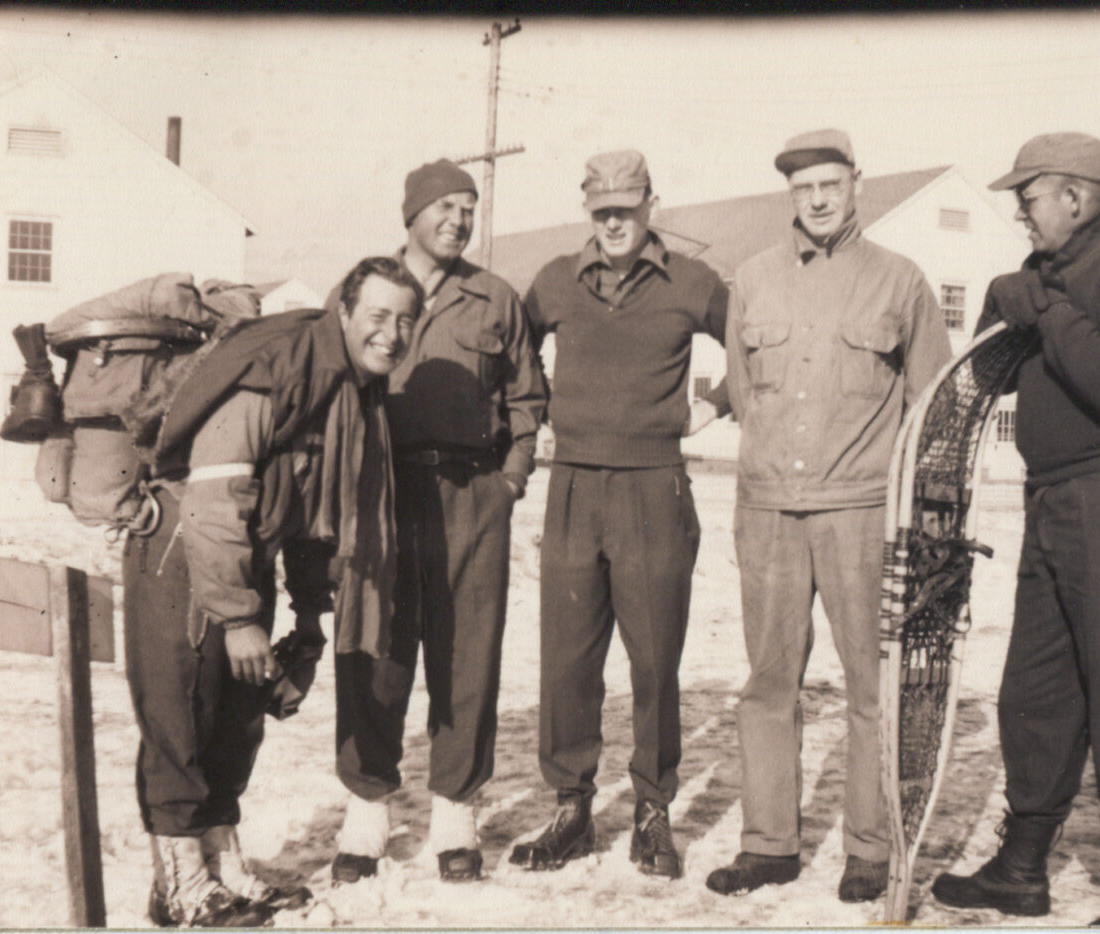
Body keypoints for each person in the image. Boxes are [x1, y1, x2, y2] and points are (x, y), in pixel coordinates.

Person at [931, 133, 1100, 925]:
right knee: (1035, 689)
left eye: (1028, 197)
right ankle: (1023, 867)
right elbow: (986, 369)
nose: (1018, 213)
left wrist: (1038, 303)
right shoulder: (1049, 271)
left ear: (1074, 196)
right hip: (1050, 498)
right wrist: (1002, 304)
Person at [126, 256, 422, 926]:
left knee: (237, 717)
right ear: (344, 311)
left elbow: (313, 512)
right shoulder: (283, 367)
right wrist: (238, 618)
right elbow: (214, 497)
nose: (393, 334)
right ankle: (179, 887)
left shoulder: (349, 388)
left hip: (240, 557)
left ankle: (222, 871)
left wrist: (310, 619)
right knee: (184, 716)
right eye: (379, 315)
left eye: (406, 320)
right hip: (185, 548)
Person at [708, 129, 952, 901]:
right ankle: (769, 845)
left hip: (861, 515)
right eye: (803, 187)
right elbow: (745, 395)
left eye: (830, 185)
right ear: (791, 193)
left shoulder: (901, 280)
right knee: (768, 683)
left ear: (856, 185)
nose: (816, 200)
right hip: (770, 511)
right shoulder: (752, 278)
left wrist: (926, 521)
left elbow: (932, 408)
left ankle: (870, 849)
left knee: (868, 684)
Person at [509, 149, 730, 880]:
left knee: (654, 658)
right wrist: (535, 408)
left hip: (653, 488)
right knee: (568, 658)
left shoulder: (691, 282)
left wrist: (716, 405)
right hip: (573, 484)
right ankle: (571, 807)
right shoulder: (554, 281)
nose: (613, 221)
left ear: (649, 205)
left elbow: (755, 343)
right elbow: (515, 344)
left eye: (626, 207)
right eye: (600, 208)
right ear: (588, 210)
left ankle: (652, 810)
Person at [327, 159, 546, 883]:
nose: (457, 219)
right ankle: (367, 807)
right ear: (411, 213)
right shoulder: (367, 289)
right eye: (444, 206)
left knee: (466, 652)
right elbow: (329, 383)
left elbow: (527, 399)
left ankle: (456, 808)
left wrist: (510, 480)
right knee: (377, 645)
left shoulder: (496, 298)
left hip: (470, 495)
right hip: (382, 492)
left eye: (468, 207)